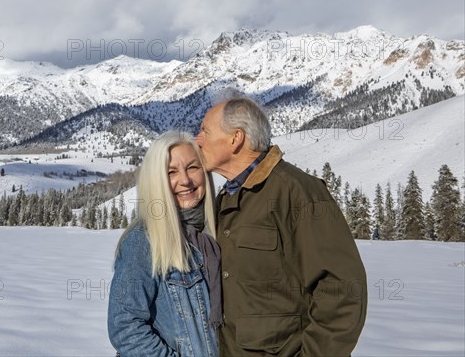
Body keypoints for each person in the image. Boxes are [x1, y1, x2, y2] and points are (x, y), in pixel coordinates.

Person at [196, 98, 367, 357]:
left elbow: (342, 289)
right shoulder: (228, 197)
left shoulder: (297, 192)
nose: (198, 140)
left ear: (236, 139)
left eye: (205, 131)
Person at [108, 131, 222, 357]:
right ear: (156, 181)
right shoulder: (143, 240)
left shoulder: (218, 231)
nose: (185, 180)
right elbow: (125, 327)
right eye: (171, 172)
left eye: (192, 167)